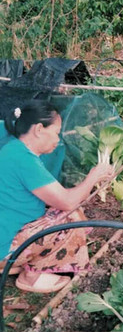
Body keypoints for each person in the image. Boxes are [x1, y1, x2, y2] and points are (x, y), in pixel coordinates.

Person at [0, 100, 112, 293]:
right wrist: (93, 177)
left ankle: (13, 262)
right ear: (39, 129)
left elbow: (58, 196)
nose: (58, 139)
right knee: (71, 220)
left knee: (67, 212)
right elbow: (68, 202)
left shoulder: (13, 149)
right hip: (6, 240)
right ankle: (31, 276)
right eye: (56, 132)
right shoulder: (24, 160)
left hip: (6, 231)